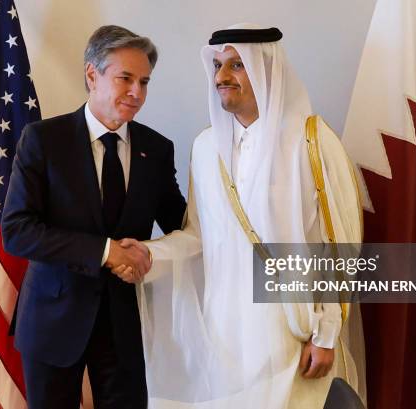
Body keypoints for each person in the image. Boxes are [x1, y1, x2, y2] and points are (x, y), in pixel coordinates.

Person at [118, 24, 365, 408]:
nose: (221, 77)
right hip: (225, 331)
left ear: (266, 69)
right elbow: (199, 236)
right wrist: (149, 254)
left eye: (236, 65)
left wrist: (326, 333)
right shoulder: (206, 147)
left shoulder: (310, 142)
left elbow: (337, 246)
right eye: (217, 66)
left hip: (292, 329)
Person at [1, 25, 186, 409]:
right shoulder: (43, 140)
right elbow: (18, 232)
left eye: (145, 82)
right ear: (92, 75)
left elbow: (180, 227)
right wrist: (106, 252)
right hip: (53, 320)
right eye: (126, 78)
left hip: (123, 327)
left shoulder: (157, 148)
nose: (137, 93)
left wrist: (150, 255)